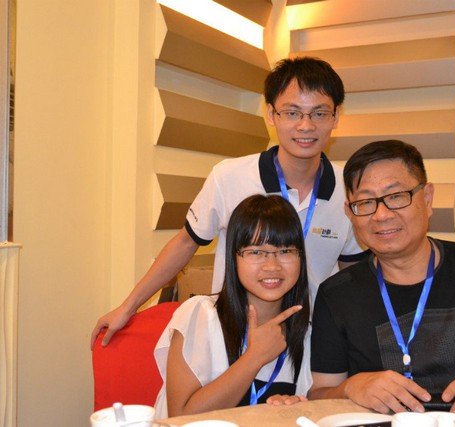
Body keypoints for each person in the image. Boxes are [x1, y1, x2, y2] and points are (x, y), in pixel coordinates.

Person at [91, 56, 366, 347]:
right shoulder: (229, 176)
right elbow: (185, 243)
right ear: (271, 114)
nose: (306, 125)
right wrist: (128, 307)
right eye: (292, 112)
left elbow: (350, 275)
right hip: (233, 338)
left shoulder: (349, 189)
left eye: (319, 113)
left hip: (309, 344)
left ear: (336, 117)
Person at [308, 140, 455, 417]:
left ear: (428, 198)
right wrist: (353, 386)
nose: (381, 215)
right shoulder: (337, 294)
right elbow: (320, 393)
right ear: (350, 213)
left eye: (396, 196)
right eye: (366, 202)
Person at [153, 194, 311, 418]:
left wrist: (293, 408)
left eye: (285, 251)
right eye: (255, 252)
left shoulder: (306, 334)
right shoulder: (201, 315)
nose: (272, 266)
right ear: (233, 257)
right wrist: (254, 357)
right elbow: (181, 418)